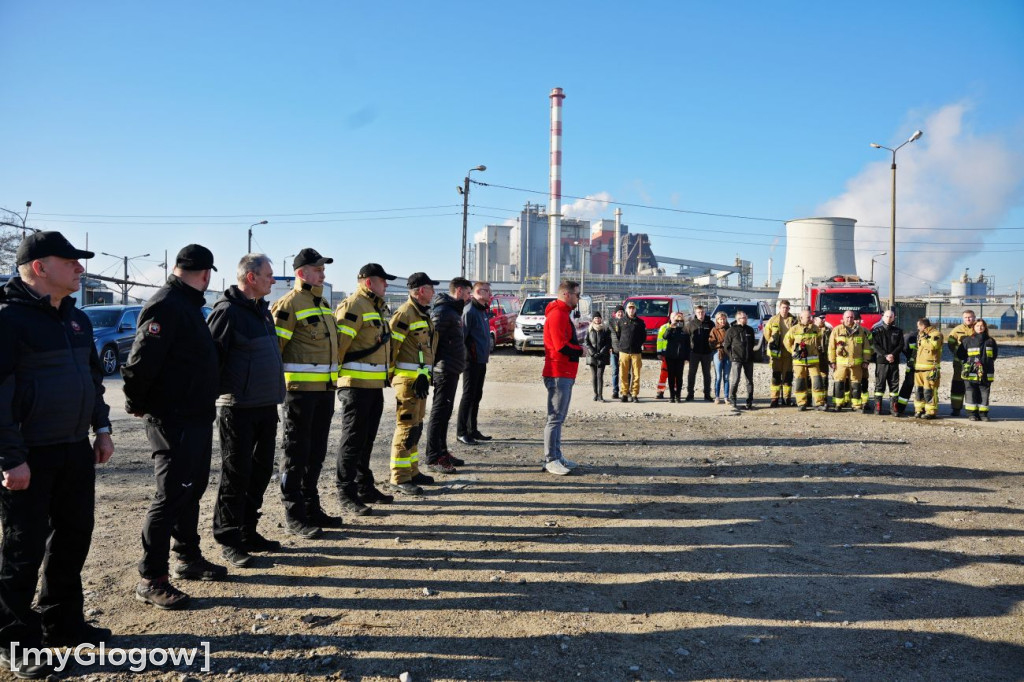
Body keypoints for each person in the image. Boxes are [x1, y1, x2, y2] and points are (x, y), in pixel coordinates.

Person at [0, 232, 114, 677]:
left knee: (73, 537)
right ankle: (15, 640)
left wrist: (102, 428)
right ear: (40, 267)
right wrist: (9, 458)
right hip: (29, 454)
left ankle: (62, 624)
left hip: (73, 449)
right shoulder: (8, 321)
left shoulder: (77, 320)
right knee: (22, 551)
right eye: (71, 262)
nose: (80, 269)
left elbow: (92, 382)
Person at [123, 244, 224, 610]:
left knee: (190, 489)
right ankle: (152, 578)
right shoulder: (166, 304)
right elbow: (139, 363)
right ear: (206, 273)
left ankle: (188, 559)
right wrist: (137, 403)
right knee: (169, 496)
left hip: (195, 415)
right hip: (173, 417)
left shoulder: (189, 305)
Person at [207, 253, 286, 569]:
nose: (273, 280)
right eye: (269, 274)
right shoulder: (227, 313)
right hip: (236, 408)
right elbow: (210, 361)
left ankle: (248, 530)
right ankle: (229, 539)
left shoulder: (262, 312)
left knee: (261, 471)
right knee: (236, 475)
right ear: (251, 277)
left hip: (265, 406)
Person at [270, 248, 342, 539]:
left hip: (324, 391)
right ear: (302, 273)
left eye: (323, 268)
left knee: (316, 453)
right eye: (318, 269)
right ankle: (294, 514)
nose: (323, 274)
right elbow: (275, 352)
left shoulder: (322, 302)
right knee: (296, 454)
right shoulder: (289, 304)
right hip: (299, 394)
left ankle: (312, 507)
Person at [335, 263, 397, 514]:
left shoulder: (375, 307)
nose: (387, 285)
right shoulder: (353, 306)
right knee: (352, 440)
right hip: (355, 387)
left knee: (366, 440)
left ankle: (364, 486)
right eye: (383, 281)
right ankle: (345, 490)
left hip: (373, 386)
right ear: (369, 282)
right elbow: (339, 347)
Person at [387, 272, 439, 495]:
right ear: (419, 291)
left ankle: (413, 471)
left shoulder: (422, 314)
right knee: (406, 428)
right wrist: (392, 376)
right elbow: (391, 349)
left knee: (416, 427)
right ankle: (399, 477)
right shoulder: (404, 314)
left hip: (419, 380)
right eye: (430, 288)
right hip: (407, 382)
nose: (433, 292)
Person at [425, 277, 472, 474]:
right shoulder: (443, 312)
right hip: (443, 371)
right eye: (469, 292)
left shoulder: (453, 310)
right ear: (459, 291)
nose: (470, 296)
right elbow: (432, 343)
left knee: (445, 412)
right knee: (439, 413)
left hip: (451, 369)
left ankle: (442, 451)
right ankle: (433, 456)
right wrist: (432, 368)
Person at [542, 281, 583, 475]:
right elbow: (561, 346)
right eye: (577, 294)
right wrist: (581, 350)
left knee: (558, 417)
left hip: (564, 371)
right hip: (558, 371)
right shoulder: (558, 314)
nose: (578, 298)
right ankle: (551, 459)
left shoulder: (562, 313)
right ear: (566, 294)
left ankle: (556, 455)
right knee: (555, 418)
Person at [457, 281, 493, 445]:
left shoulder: (482, 311)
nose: (489, 293)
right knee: (468, 395)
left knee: (477, 395)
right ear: (478, 292)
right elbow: (462, 337)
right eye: (487, 290)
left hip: (481, 360)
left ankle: (473, 429)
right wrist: (465, 357)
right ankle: (462, 432)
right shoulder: (470, 311)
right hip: (470, 361)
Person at [827, 310, 871, 412]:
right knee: (839, 383)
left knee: (856, 384)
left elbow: (866, 347)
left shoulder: (861, 331)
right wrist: (832, 361)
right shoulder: (837, 330)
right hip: (840, 364)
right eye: (847, 317)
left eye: (851, 317)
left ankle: (856, 405)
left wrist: (866, 360)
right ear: (843, 318)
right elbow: (831, 348)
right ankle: (838, 404)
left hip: (856, 364)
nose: (849, 319)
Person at [956, 319, 997, 421]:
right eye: (977, 326)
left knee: (984, 392)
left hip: (986, 372)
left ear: (985, 327)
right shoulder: (967, 341)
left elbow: (994, 356)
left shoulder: (991, 341)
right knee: (970, 392)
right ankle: (972, 414)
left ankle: (983, 414)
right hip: (970, 372)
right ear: (974, 327)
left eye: (982, 326)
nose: (980, 327)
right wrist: (970, 363)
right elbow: (960, 355)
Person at [783, 310, 823, 411]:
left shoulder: (815, 329)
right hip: (799, 362)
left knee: (817, 381)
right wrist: (793, 351)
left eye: (810, 317)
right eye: (808, 317)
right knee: (800, 382)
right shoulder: (794, 329)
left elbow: (820, 341)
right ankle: (801, 403)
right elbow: (786, 341)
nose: (810, 319)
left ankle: (818, 403)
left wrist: (817, 349)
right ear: (801, 318)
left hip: (813, 361)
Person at [870, 310, 905, 416]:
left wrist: (892, 355)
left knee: (894, 385)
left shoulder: (898, 331)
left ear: (894, 318)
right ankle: (878, 406)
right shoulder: (877, 331)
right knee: (880, 384)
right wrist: (885, 355)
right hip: (881, 362)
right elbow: (874, 346)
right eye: (887, 316)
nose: (889, 318)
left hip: (894, 361)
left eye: (891, 316)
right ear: (883, 317)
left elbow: (900, 345)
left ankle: (893, 407)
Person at [764, 300, 797, 407]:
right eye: (783, 307)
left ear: (789, 309)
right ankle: (774, 399)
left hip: (788, 352)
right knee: (776, 375)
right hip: (776, 353)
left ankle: (787, 398)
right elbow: (766, 334)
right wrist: (773, 344)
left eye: (787, 308)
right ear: (779, 308)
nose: (785, 310)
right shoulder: (773, 320)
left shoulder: (794, 321)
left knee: (788, 376)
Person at [724, 309, 757, 410]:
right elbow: (726, 346)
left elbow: (752, 344)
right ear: (738, 319)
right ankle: (733, 399)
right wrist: (732, 356)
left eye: (746, 317)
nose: (745, 319)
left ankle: (749, 401)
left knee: (749, 381)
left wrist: (751, 354)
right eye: (743, 318)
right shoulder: (731, 330)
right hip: (736, 359)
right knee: (735, 380)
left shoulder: (750, 330)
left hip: (748, 359)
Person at [946, 310, 976, 416]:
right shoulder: (957, 330)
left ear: (974, 317)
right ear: (963, 318)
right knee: (958, 385)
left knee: (972, 386)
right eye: (966, 317)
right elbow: (950, 344)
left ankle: (972, 410)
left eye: (970, 317)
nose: (968, 319)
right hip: (959, 364)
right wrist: (958, 354)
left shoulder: (978, 328)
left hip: (974, 364)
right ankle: (956, 408)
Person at [913, 317, 944, 419]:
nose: (918, 328)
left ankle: (930, 411)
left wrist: (922, 339)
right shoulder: (921, 335)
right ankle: (919, 410)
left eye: (918, 326)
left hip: (930, 369)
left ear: (923, 326)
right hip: (919, 368)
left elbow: (933, 346)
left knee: (929, 391)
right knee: (919, 391)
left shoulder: (936, 334)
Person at [685, 305, 714, 401]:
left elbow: (715, 337)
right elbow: (685, 338)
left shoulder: (710, 324)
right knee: (692, 373)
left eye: (702, 312)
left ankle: (707, 394)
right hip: (694, 353)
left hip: (707, 353)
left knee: (707, 374)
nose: (700, 314)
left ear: (705, 313)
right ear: (695, 313)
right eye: (698, 312)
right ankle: (690, 394)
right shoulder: (691, 324)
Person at [617, 301, 646, 402]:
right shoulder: (621, 321)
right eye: (629, 308)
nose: (631, 310)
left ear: (635, 309)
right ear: (626, 309)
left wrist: (637, 344)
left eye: (633, 308)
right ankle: (624, 393)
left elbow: (644, 336)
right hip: (624, 351)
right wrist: (621, 345)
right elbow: (618, 335)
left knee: (636, 374)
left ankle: (634, 394)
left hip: (636, 352)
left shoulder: (640, 322)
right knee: (623, 373)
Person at [660, 312, 690, 403]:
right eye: (677, 320)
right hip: (670, 356)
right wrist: (670, 328)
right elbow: (664, 337)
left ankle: (678, 396)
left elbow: (688, 345)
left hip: (680, 357)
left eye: (681, 320)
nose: (679, 322)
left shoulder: (685, 331)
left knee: (679, 377)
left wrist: (687, 357)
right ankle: (672, 396)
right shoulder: (670, 330)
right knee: (671, 377)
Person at [584, 312, 612, 401]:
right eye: (595, 318)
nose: (597, 320)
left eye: (599, 318)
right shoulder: (589, 329)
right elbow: (586, 342)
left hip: (602, 356)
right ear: (593, 319)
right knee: (594, 376)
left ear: (601, 319)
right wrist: (593, 352)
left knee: (600, 375)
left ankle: (600, 395)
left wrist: (601, 352)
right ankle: (595, 394)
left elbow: (608, 343)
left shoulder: (605, 329)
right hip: (592, 356)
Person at [894, 328, 918, 417]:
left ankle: (901, 407)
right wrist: (910, 357)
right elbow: (904, 348)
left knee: (909, 385)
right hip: (912, 365)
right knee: (909, 385)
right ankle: (900, 406)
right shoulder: (911, 336)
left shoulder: (912, 336)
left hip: (916, 365)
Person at [709, 311, 731, 404]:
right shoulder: (714, 330)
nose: (722, 321)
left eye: (723, 319)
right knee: (718, 377)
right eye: (720, 319)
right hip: (718, 353)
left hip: (728, 354)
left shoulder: (730, 329)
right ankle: (717, 396)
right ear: (717, 320)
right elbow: (711, 342)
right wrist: (720, 344)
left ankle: (726, 397)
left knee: (726, 377)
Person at [813, 315, 831, 407]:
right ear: (815, 319)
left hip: (824, 357)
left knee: (824, 378)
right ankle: (810, 399)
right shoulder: (810, 329)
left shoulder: (828, 330)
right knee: (812, 378)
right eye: (821, 318)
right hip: (812, 358)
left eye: (824, 318)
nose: (824, 320)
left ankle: (824, 399)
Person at [608, 305, 624, 400]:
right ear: (615, 313)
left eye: (622, 312)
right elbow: (608, 336)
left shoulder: (626, 322)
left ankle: (625, 391)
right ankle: (615, 390)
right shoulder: (610, 322)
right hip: (614, 350)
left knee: (626, 372)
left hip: (625, 351)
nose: (620, 313)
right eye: (619, 312)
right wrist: (609, 347)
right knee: (615, 371)